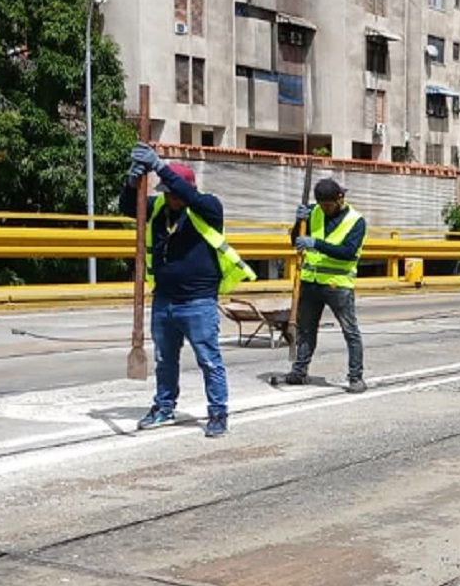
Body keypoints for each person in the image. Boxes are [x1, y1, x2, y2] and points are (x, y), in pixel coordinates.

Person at [124, 144, 256, 438]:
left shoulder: (207, 208)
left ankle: (218, 412)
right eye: (166, 193)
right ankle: (164, 407)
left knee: (208, 359)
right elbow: (129, 208)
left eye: (173, 192)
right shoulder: (157, 209)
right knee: (164, 359)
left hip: (198, 301)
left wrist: (159, 165)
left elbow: (189, 196)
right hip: (164, 299)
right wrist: (131, 184)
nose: (168, 198)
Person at [282, 178, 368, 393]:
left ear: (340, 199)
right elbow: (297, 241)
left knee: (350, 332)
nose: (325, 209)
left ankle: (355, 377)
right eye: (321, 204)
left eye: (328, 205)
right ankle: (299, 371)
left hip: (337, 286)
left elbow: (348, 252)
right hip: (310, 283)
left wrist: (315, 243)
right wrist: (297, 223)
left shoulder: (356, 221)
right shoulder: (312, 213)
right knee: (306, 330)